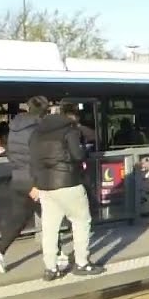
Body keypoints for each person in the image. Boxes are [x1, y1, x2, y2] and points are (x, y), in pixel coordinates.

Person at [29, 102, 105, 281]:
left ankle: (50, 268)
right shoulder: (70, 130)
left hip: (46, 187)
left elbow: (32, 161)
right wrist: (84, 151)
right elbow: (78, 155)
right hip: (69, 183)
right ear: (73, 116)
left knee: (50, 228)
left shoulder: (37, 132)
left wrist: (36, 183)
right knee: (81, 222)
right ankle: (82, 263)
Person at [0, 96, 49, 275]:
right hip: (34, 181)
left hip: (18, 178)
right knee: (50, 217)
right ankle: (58, 255)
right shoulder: (38, 129)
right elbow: (38, 157)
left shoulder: (14, 127)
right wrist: (35, 184)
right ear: (44, 111)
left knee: (18, 218)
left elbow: (12, 153)